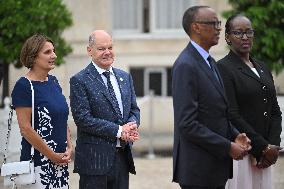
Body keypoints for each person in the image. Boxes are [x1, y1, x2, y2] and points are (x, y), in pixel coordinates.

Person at [172, 6, 252, 189]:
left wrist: (236, 135)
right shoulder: (186, 65)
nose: (218, 28)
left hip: (215, 168)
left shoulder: (209, 62)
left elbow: (215, 113)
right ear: (196, 27)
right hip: (198, 171)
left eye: (219, 23)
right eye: (213, 23)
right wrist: (228, 146)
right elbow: (187, 124)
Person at [217, 15, 282, 189]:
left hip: (266, 156)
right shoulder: (223, 68)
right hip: (242, 154)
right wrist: (261, 147)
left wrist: (273, 146)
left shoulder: (262, 67)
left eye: (249, 32)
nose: (245, 37)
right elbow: (232, 113)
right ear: (227, 37)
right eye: (238, 33)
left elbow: (275, 110)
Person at [70, 30, 140, 189]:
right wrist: (119, 130)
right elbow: (83, 119)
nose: (107, 52)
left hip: (123, 158)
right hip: (94, 162)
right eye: (101, 49)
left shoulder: (124, 77)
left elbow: (134, 110)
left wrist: (131, 125)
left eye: (110, 47)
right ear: (89, 50)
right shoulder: (79, 80)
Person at [11, 34, 72, 188]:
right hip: (37, 165)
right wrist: (52, 155)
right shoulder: (24, 86)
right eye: (47, 52)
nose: (54, 55)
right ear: (33, 56)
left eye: (53, 51)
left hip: (60, 163)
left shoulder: (54, 82)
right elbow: (25, 129)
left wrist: (69, 147)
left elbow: (61, 118)